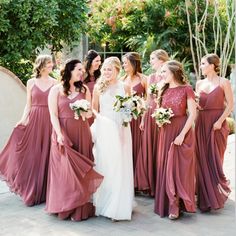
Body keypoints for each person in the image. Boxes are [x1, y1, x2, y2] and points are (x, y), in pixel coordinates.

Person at [45, 59, 103, 221]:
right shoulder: (55, 90)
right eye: (78, 70)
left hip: (81, 131)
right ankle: (65, 207)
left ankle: (79, 208)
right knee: (64, 171)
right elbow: (53, 115)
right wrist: (59, 134)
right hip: (63, 132)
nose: (81, 73)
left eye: (82, 70)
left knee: (80, 171)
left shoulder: (84, 89)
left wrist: (84, 112)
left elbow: (91, 112)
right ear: (69, 70)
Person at [0, 54, 57, 206]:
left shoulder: (55, 83)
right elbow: (28, 105)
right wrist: (23, 119)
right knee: (34, 155)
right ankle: (33, 190)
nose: (52, 65)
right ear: (41, 65)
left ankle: (47, 191)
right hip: (35, 119)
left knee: (48, 153)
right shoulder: (31, 82)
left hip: (50, 120)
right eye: (49, 63)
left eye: (52, 63)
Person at [91, 57, 134, 221]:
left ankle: (118, 206)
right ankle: (105, 203)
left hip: (121, 128)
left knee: (120, 164)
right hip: (105, 127)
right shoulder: (98, 87)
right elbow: (94, 109)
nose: (106, 72)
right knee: (106, 164)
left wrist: (126, 119)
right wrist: (102, 119)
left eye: (110, 69)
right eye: (104, 69)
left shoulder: (125, 87)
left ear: (117, 70)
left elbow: (129, 109)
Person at [154, 60, 196, 220]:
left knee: (179, 169)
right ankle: (168, 203)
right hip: (166, 131)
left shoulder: (187, 89)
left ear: (173, 72)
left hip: (181, 131)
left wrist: (181, 135)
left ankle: (177, 205)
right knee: (166, 167)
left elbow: (192, 114)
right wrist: (159, 120)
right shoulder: (162, 90)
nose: (161, 74)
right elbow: (159, 111)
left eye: (164, 72)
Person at [195, 53, 233, 212]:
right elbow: (197, 106)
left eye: (203, 63)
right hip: (201, 123)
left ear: (212, 65)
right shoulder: (198, 83)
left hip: (218, 124)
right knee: (201, 159)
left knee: (216, 158)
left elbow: (230, 105)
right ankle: (205, 196)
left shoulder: (224, 82)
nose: (201, 66)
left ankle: (216, 193)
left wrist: (220, 121)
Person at [135, 49, 169, 196]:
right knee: (150, 148)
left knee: (162, 149)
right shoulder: (151, 77)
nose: (150, 62)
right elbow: (148, 99)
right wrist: (143, 118)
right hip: (151, 115)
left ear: (161, 60)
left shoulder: (170, 75)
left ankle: (162, 184)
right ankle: (151, 184)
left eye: (152, 59)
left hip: (166, 115)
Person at [121, 52, 147, 175]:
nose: (123, 65)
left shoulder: (143, 79)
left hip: (139, 118)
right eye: (123, 62)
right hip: (126, 118)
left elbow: (148, 100)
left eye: (125, 62)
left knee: (139, 146)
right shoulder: (122, 80)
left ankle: (139, 178)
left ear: (133, 63)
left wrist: (143, 119)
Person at [83, 50, 102, 125]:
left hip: (98, 109)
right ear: (90, 61)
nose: (99, 63)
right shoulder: (82, 75)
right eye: (97, 61)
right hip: (85, 109)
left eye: (100, 61)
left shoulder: (100, 75)